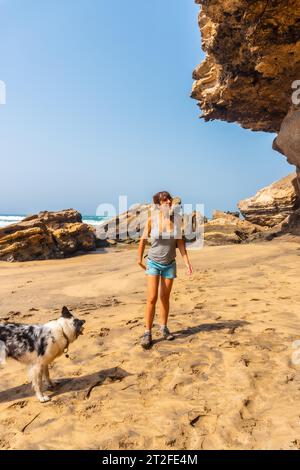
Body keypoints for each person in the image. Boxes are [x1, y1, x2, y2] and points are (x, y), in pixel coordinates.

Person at [137, 191, 193, 349]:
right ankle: (147, 332)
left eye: (169, 198)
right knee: (152, 298)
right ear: (158, 204)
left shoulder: (177, 221)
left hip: (169, 264)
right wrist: (139, 259)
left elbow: (180, 244)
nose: (168, 201)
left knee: (164, 298)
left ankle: (164, 328)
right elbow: (142, 240)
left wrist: (187, 263)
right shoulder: (151, 220)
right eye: (164, 200)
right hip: (153, 262)